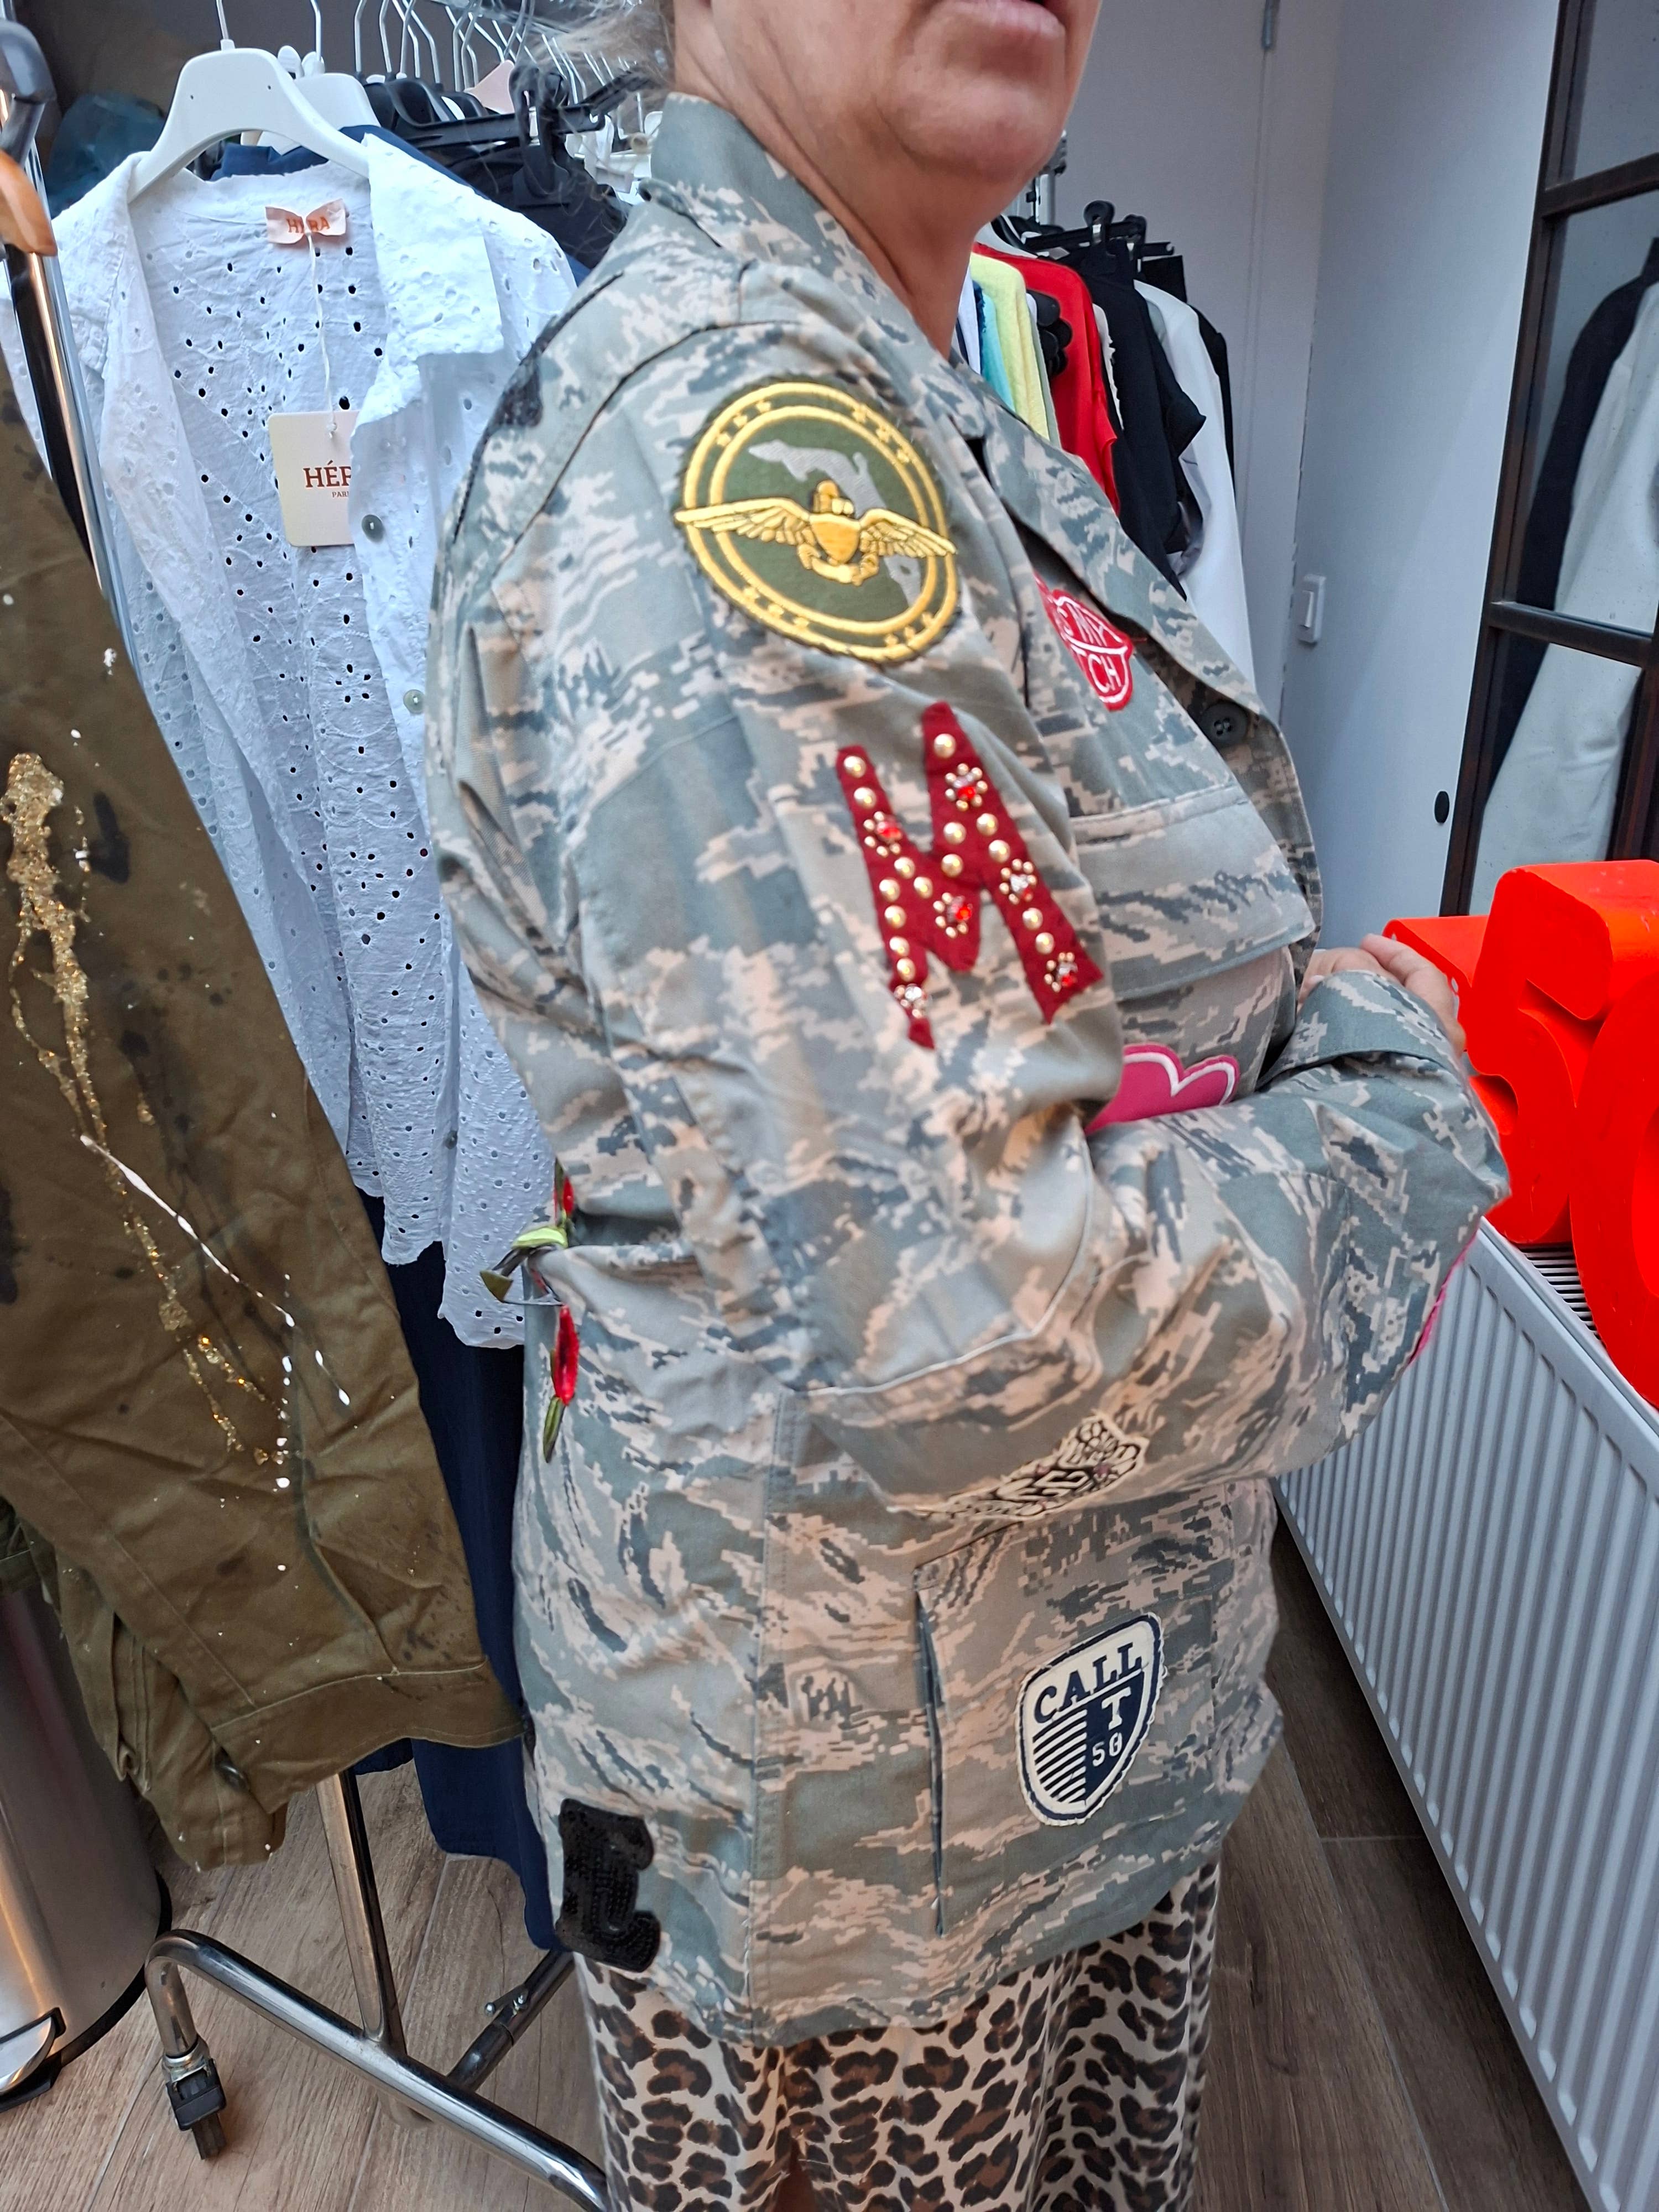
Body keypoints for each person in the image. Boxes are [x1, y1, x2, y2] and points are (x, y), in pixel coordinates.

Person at [426, 3, 1506, 2205]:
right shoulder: (752, 448)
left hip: (1027, 1761)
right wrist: (1398, 1101)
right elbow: (963, 1330)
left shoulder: (931, 398)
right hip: (868, 1879)